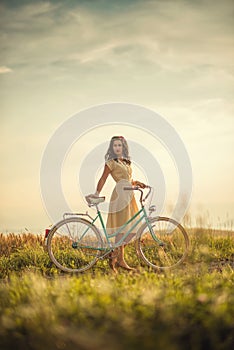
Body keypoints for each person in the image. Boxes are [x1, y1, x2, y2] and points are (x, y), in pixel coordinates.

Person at [89, 135, 146, 273]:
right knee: (122, 229)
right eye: (114, 145)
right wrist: (96, 194)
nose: (117, 148)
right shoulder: (111, 162)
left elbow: (127, 179)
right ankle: (120, 259)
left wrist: (136, 182)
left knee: (133, 229)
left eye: (119, 145)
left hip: (129, 194)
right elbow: (103, 178)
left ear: (123, 147)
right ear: (112, 148)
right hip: (120, 195)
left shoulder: (126, 162)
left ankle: (115, 255)